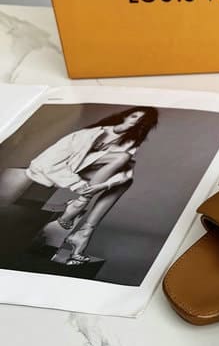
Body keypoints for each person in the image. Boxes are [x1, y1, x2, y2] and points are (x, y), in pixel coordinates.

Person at [26, 106, 158, 265]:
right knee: (123, 158)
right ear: (125, 116)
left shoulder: (131, 142)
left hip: (89, 173)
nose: (136, 121)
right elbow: (48, 161)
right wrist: (76, 184)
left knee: (126, 179)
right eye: (134, 116)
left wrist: (104, 186)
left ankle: (85, 231)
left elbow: (127, 173)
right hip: (63, 169)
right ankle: (81, 204)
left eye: (142, 120)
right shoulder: (90, 133)